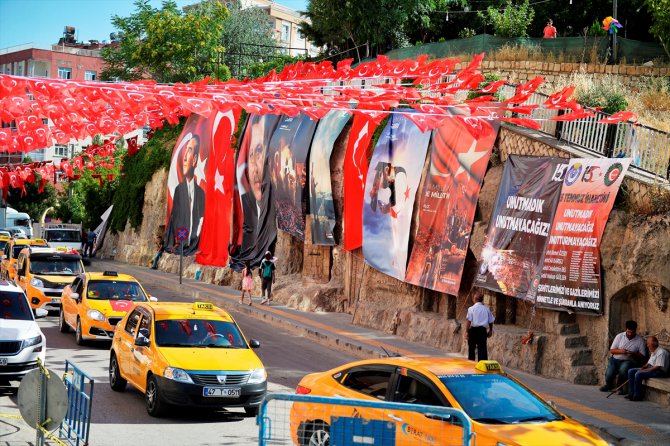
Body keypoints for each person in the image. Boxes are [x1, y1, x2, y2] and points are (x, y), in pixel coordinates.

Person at [165, 134, 206, 255]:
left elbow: (201, 221)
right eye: (185, 151)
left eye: (189, 151)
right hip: (181, 242)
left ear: (194, 160)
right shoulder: (179, 190)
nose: (184, 157)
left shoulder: (200, 193)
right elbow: (175, 218)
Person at [600, 320, 647, 393]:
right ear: (626, 329)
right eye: (628, 332)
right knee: (609, 373)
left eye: (632, 332)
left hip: (628, 360)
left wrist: (633, 353)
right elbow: (612, 350)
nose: (630, 334)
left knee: (623, 370)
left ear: (635, 330)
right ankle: (609, 385)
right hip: (615, 359)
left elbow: (643, 355)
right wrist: (622, 351)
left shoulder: (639, 340)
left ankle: (619, 388)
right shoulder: (619, 336)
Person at [626, 336, 669, 401]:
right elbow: (649, 363)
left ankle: (637, 396)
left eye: (648, 344)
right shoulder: (653, 351)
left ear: (653, 345)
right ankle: (631, 393)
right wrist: (643, 367)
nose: (647, 345)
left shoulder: (661, 352)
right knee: (631, 371)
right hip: (652, 369)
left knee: (638, 374)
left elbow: (656, 367)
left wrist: (643, 370)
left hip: (659, 372)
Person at [465, 292, 495, 361]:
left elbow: (468, 321)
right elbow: (491, 321)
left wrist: (466, 331)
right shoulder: (486, 309)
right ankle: (482, 366)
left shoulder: (471, 309)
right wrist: (490, 330)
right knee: (482, 349)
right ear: (482, 300)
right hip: (482, 331)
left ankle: (471, 364)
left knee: (471, 349)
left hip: (473, 331)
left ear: (475, 299)